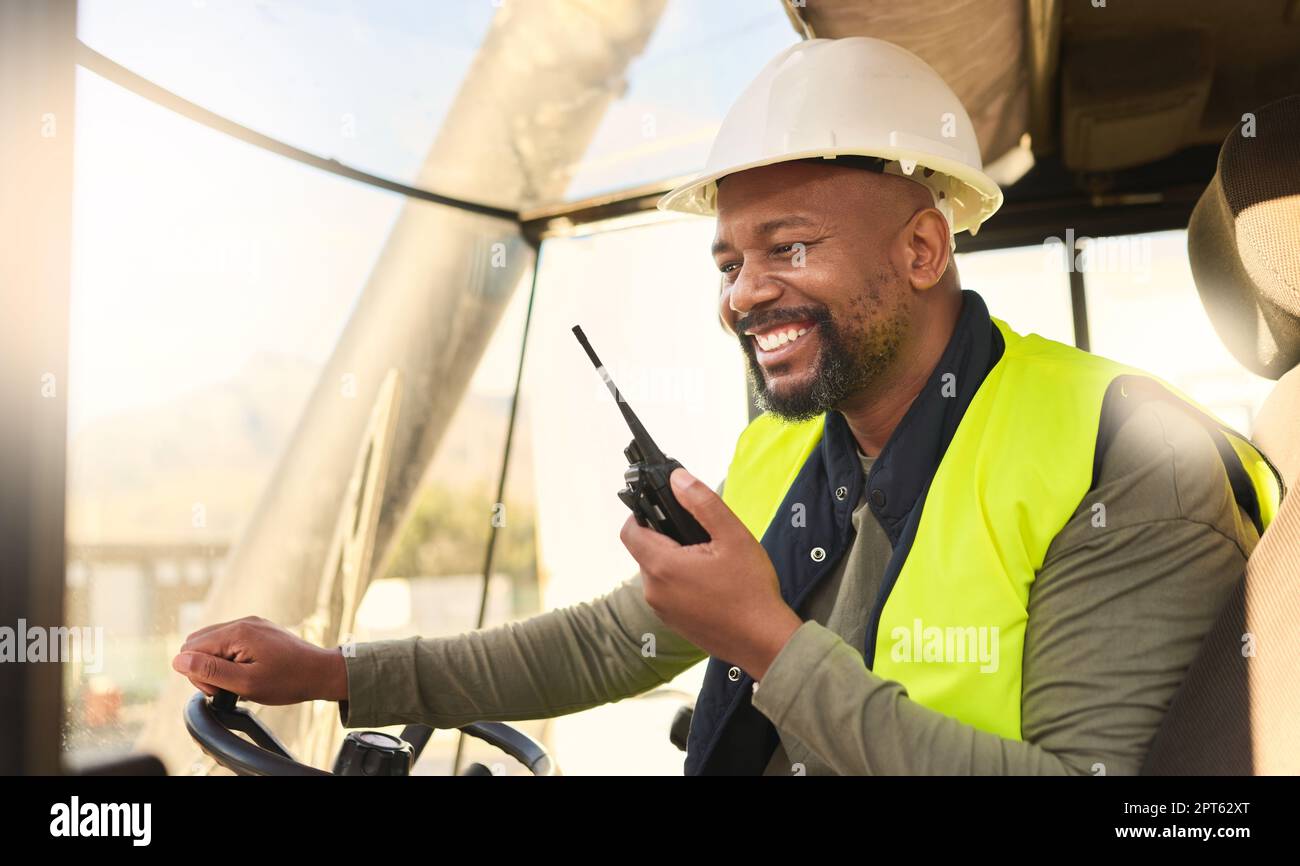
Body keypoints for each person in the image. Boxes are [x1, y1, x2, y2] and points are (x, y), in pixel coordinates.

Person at [173, 37, 1280, 775]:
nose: (745, 295)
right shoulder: (782, 449)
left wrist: (767, 640)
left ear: (922, 244)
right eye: (728, 261)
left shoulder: (1129, 455)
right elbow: (616, 638)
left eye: (787, 246)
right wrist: (338, 670)